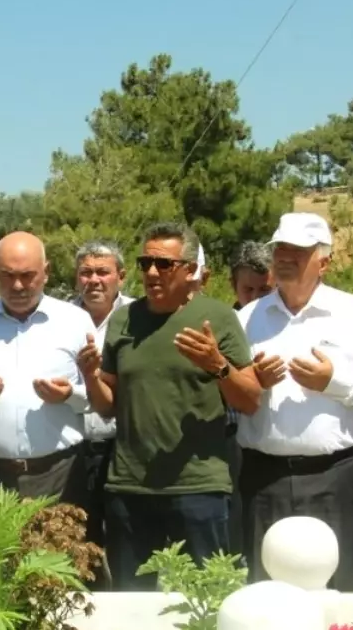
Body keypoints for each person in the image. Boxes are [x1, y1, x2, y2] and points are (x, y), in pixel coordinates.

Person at [80, 223, 258, 587]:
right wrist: (89, 376)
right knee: (132, 601)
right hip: (130, 488)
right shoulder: (123, 320)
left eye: (163, 265)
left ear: (190, 269)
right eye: (146, 262)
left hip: (198, 489)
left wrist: (218, 365)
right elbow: (108, 406)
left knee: (204, 601)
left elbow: (250, 398)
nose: (150, 273)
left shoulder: (218, 318)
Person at [236, 212, 353, 591]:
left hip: (334, 477)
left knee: (338, 588)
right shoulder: (248, 317)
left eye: (299, 250)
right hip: (263, 478)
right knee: (266, 587)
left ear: (324, 261)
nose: (286, 256)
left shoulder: (351, 312)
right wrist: (252, 382)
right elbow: (229, 387)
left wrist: (335, 382)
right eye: (281, 248)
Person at [0, 231, 95, 502]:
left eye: (27, 275)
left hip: (58, 476)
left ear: (46, 272)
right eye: (7, 275)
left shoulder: (76, 322)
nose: (17, 285)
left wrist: (69, 395)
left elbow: (99, 400)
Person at [71, 240, 134, 569]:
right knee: (78, 542)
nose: (93, 280)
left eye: (102, 272)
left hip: (122, 447)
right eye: (85, 272)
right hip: (73, 449)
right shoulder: (59, 318)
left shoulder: (140, 317)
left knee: (126, 540)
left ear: (120, 277)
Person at [224, 241, 274, 555]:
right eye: (248, 290)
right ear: (233, 285)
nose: (254, 299)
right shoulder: (220, 325)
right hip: (229, 439)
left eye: (264, 291)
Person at [228, 242, 274, 310]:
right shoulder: (226, 320)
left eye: (264, 289)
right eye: (248, 289)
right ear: (234, 286)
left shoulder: (291, 319)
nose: (255, 298)